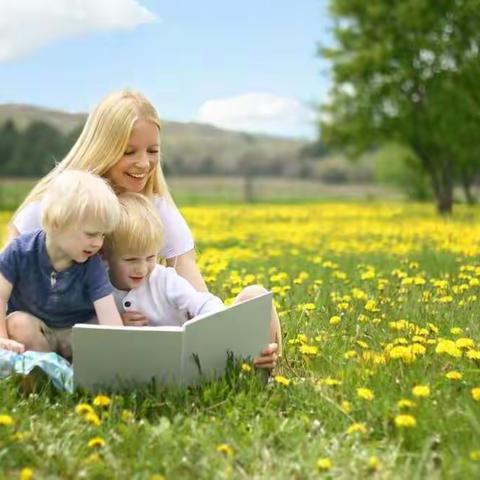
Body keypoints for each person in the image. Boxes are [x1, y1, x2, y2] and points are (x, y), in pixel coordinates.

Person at [6, 89, 280, 367]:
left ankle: (262, 366)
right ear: (103, 148)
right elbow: (10, 269)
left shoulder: (157, 207)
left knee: (256, 299)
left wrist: (218, 329)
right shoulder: (62, 202)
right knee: (21, 325)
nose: (143, 163)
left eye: (153, 151)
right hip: (73, 338)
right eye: (128, 152)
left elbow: (194, 288)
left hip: (134, 338)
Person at [102, 193, 281, 369]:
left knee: (256, 295)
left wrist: (205, 324)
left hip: (191, 362)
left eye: (150, 257)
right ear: (105, 256)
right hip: (141, 370)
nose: (142, 268)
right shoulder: (101, 290)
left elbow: (202, 303)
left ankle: (266, 368)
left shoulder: (164, 280)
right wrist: (117, 324)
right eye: (131, 260)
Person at [0, 170, 123, 359]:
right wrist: (2, 339)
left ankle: (73, 374)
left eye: (102, 235)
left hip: (72, 335)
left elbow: (109, 318)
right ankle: (43, 373)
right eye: (91, 234)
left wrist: (121, 347)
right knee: (18, 324)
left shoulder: (92, 265)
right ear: (57, 224)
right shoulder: (19, 251)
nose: (98, 243)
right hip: (36, 338)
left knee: (97, 333)